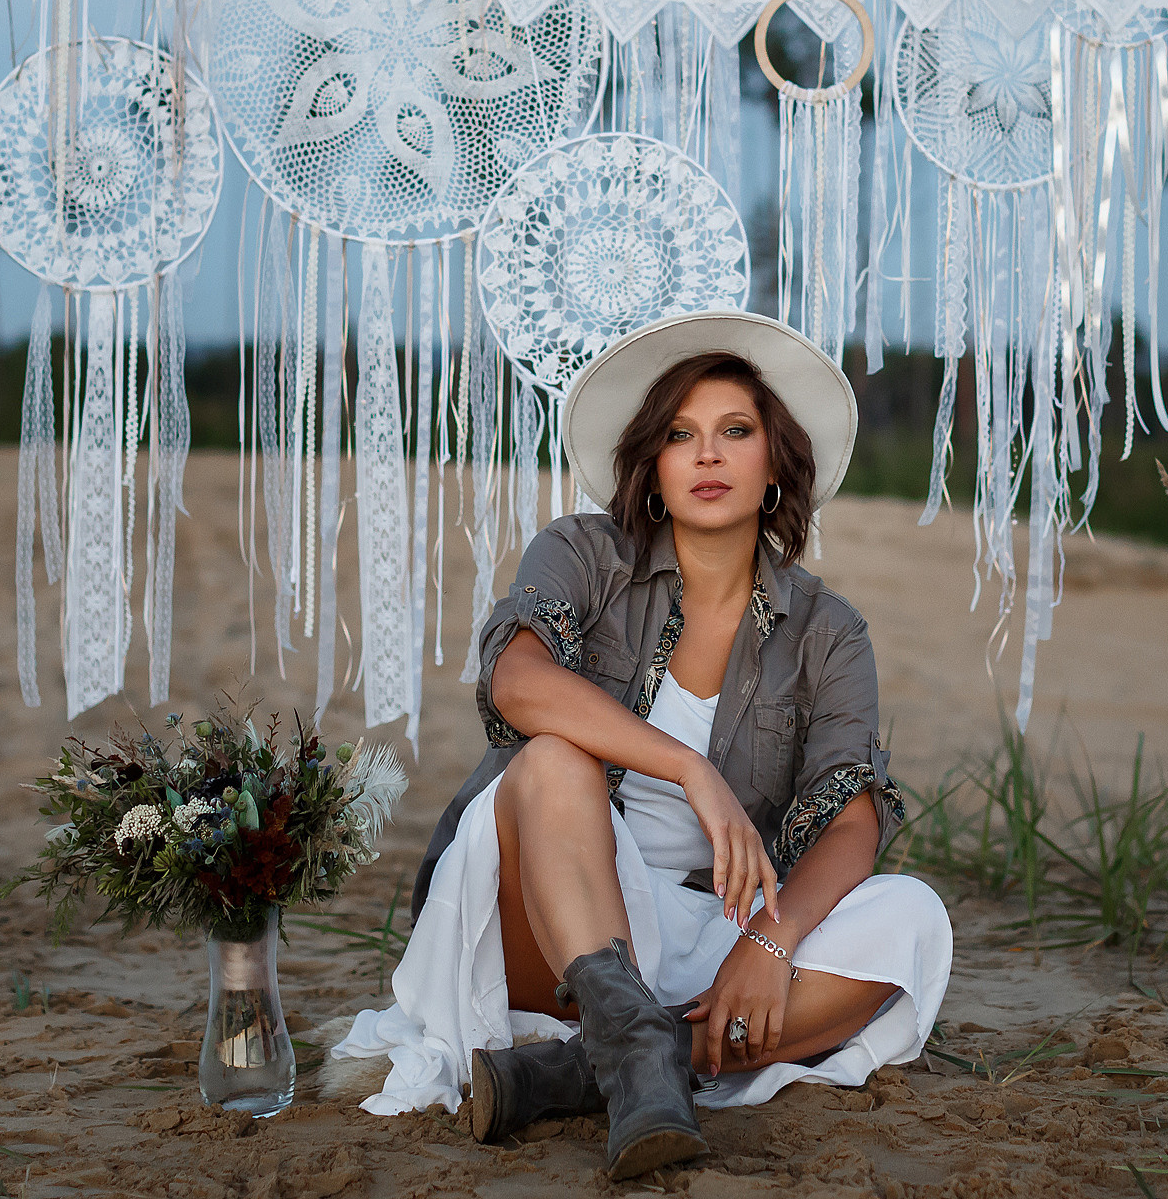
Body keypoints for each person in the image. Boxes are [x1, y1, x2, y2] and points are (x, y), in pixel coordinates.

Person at [333, 310, 953, 1181]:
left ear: (773, 464)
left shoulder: (828, 631)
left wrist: (768, 945)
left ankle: (612, 1065)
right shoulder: (584, 554)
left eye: (735, 432)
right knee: (550, 760)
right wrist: (689, 767)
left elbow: (852, 816)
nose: (707, 455)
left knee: (914, 918)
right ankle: (634, 1041)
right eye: (680, 435)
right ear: (653, 471)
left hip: (707, 930)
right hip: (544, 914)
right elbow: (516, 683)